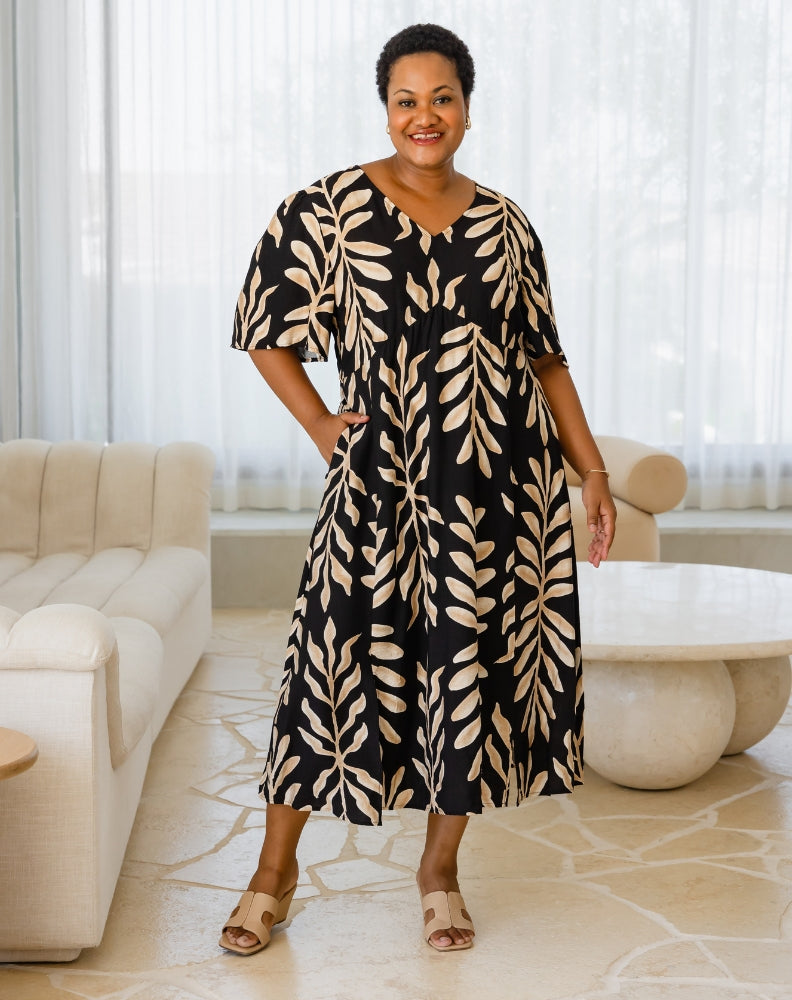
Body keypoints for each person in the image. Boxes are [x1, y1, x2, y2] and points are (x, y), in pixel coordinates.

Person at [221, 22, 616, 956]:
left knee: (467, 678)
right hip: (380, 490)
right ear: (385, 107)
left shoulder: (509, 224)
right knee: (328, 671)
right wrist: (321, 422)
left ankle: (439, 872)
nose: (424, 116)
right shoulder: (326, 211)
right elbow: (264, 328)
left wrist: (590, 471)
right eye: (407, 99)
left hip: (497, 492)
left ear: (468, 110)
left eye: (442, 98)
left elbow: (545, 361)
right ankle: (271, 875)